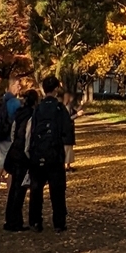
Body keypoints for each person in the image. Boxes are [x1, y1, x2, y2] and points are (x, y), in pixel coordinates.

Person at [27, 73, 76, 231]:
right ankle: (59, 223)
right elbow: (66, 130)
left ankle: (35, 220)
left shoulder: (38, 108)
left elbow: (32, 130)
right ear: (55, 89)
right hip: (55, 153)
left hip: (38, 153)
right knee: (57, 190)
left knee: (36, 189)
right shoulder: (59, 108)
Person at [3, 88, 38, 231]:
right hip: (23, 154)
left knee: (14, 188)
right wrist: (29, 154)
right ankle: (15, 222)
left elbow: (13, 132)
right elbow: (29, 136)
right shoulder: (31, 116)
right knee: (20, 189)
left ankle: (10, 218)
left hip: (14, 151)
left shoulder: (19, 114)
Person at [0, 78, 22, 206]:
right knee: (11, 169)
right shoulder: (15, 103)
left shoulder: (1, 101)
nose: (20, 87)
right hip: (9, 138)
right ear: (12, 86)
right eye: (18, 85)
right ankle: (10, 197)